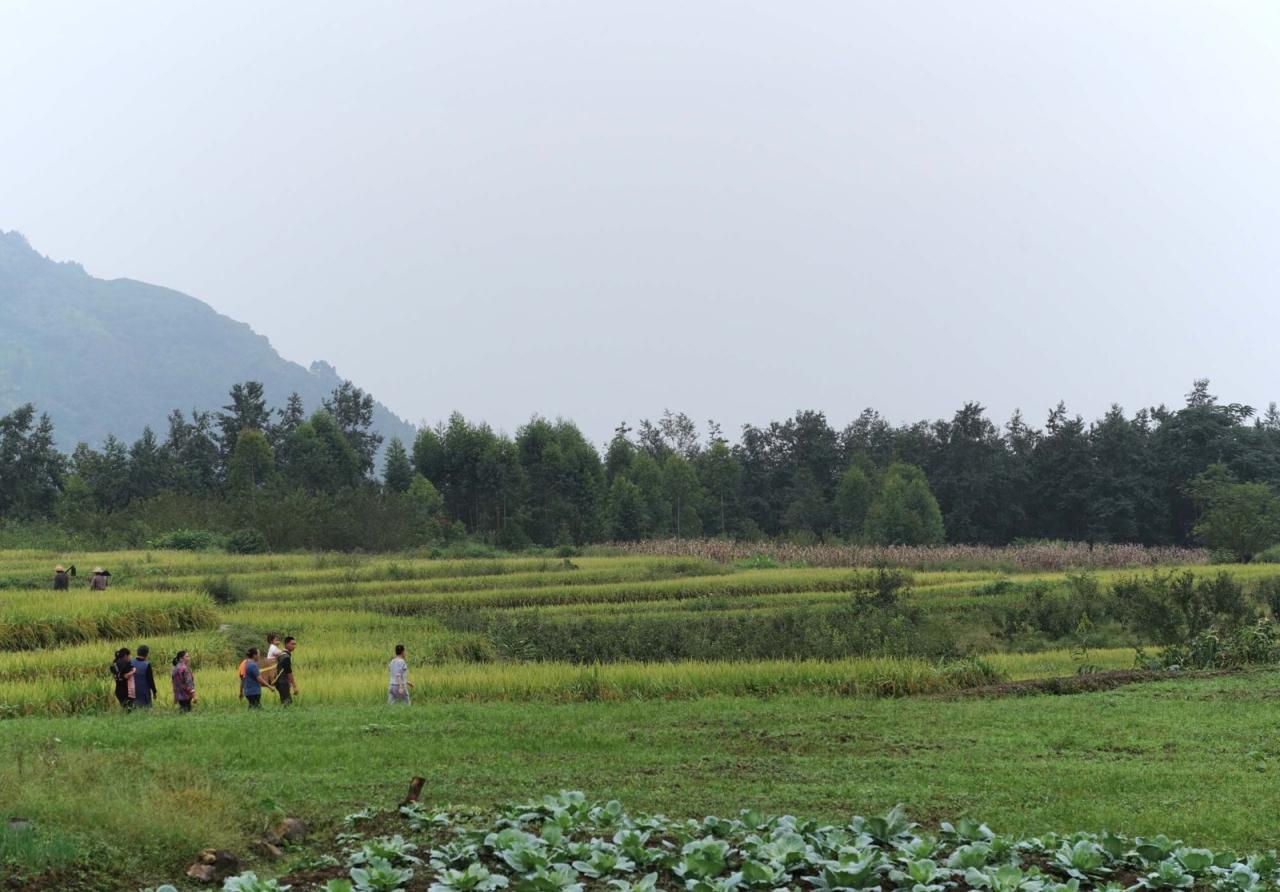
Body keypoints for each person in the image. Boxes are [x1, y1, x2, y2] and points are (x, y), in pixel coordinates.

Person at [130, 645, 158, 709]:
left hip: (132, 692)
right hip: (144, 692)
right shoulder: (147, 665)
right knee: (145, 710)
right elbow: (150, 680)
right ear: (146, 654)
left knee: (134, 709)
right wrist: (154, 692)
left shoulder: (131, 662)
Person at [274, 637, 298, 706]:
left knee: (284, 702)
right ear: (286, 644)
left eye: (295, 644)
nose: (294, 646)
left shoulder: (281, 654)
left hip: (279, 682)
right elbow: (288, 672)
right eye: (292, 644)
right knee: (287, 702)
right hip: (283, 682)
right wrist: (294, 686)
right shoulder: (286, 657)